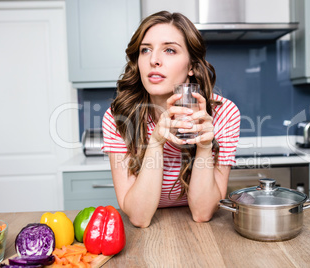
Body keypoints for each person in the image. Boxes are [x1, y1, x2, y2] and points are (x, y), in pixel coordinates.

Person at [102, 11, 240, 228]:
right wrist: (156, 142)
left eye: (169, 50)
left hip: (200, 233)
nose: (154, 60)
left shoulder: (224, 113)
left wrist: (205, 146)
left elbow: (202, 213)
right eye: (145, 50)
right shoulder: (118, 116)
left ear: (192, 66)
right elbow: (139, 217)